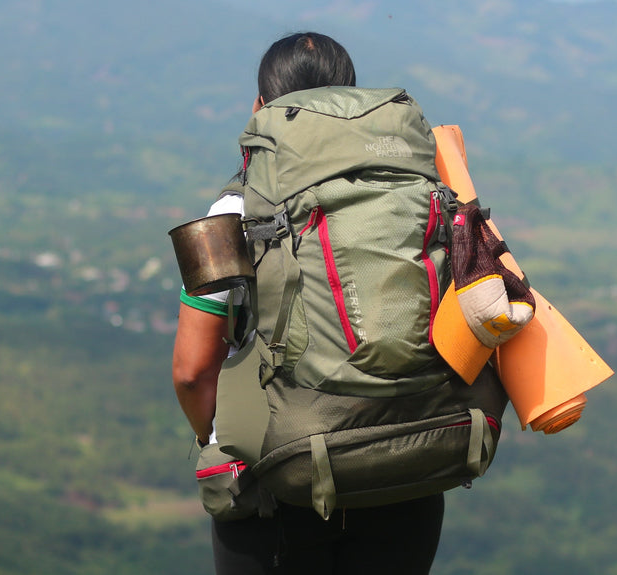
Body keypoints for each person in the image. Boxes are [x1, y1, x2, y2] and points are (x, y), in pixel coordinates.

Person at [172, 32, 446, 575]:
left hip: (276, 484)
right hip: (405, 470)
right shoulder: (415, 186)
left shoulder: (235, 207)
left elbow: (191, 370)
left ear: (259, 107)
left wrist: (217, 438)